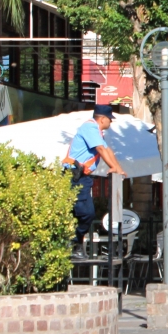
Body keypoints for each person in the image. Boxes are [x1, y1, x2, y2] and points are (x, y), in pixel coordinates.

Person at [62, 105, 126, 260]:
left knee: (81, 212)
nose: (110, 123)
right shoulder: (90, 127)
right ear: (102, 119)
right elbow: (101, 150)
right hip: (75, 176)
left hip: (82, 177)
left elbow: (107, 150)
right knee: (85, 212)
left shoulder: (97, 132)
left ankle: (75, 246)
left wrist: (118, 169)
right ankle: (72, 243)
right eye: (110, 120)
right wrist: (112, 167)